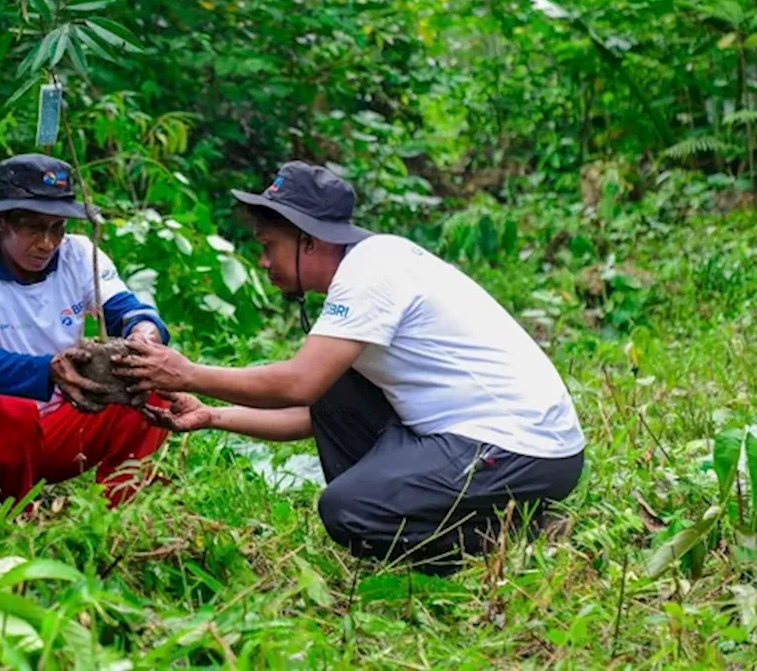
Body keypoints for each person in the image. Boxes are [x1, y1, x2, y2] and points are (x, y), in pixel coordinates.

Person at [116, 161, 585, 571]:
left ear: (310, 242)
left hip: (524, 447)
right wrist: (213, 416)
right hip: (485, 439)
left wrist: (187, 372)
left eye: (269, 245)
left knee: (348, 512)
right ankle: (474, 518)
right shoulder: (370, 267)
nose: (262, 261)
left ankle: (516, 536)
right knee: (336, 389)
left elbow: (299, 383)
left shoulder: (373, 273)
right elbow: (318, 411)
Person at [0, 153, 171, 506]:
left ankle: (113, 514)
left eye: (58, 228)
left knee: (152, 383)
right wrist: (47, 371)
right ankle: (13, 516)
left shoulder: (79, 255)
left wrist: (144, 334)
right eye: (32, 227)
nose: (47, 243)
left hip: (60, 430)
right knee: (14, 411)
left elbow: (126, 310)